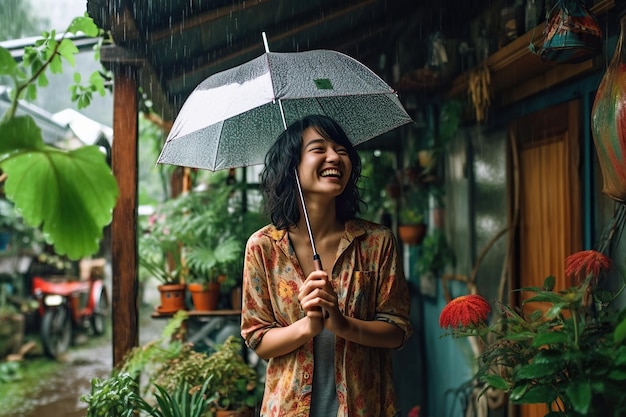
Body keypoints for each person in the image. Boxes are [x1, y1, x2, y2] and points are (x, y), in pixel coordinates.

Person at [240, 114, 412, 417]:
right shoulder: (263, 246)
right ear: (291, 166)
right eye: (319, 149)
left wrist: (342, 324)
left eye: (342, 150)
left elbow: (396, 331)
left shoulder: (376, 242)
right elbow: (258, 338)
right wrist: (308, 327)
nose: (334, 156)